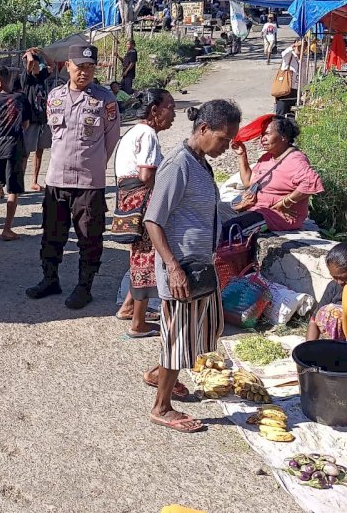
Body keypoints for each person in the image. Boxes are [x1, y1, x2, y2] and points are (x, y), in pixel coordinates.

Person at [143, 100, 241, 433]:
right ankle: (161, 406)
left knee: (200, 331)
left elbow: (204, 210)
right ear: (203, 129)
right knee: (179, 338)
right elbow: (153, 221)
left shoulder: (200, 163)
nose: (226, 147)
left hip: (199, 266)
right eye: (223, 139)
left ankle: (158, 375)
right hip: (181, 268)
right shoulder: (178, 164)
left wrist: (243, 209)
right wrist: (172, 267)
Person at [26, 43, 120, 310]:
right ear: (68, 66)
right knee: (52, 232)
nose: (85, 72)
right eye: (80, 67)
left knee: (89, 235)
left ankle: (84, 286)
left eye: (90, 67)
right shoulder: (54, 96)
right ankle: (50, 278)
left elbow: (111, 138)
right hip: (56, 178)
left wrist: (96, 163)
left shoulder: (105, 100)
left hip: (89, 181)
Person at [114, 89, 177, 337]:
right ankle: (138, 324)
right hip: (142, 202)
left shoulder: (134, 132)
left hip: (129, 202)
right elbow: (146, 175)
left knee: (138, 256)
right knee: (146, 258)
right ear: (154, 110)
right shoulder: (148, 133)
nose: (173, 113)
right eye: (169, 107)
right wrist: (165, 199)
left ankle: (128, 307)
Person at [224, 116, 323, 237]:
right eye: (262, 135)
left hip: (276, 216)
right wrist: (242, 155)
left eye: (267, 134)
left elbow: (311, 182)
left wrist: (285, 202)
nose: (262, 139)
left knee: (230, 230)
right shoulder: (267, 157)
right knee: (215, 213)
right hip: (257, 209)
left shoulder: (295, 159)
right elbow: (248, 182)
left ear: (284, 137)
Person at [0, 66, 31, 240]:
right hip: (14, 147)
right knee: (13, 190)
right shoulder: (20, 98)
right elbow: (25, 124)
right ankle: (7, 229)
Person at [20, 49, 54, 192]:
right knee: (25, 152)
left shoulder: (41, 77)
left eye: (37, 64)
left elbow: (52, 65)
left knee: (39, 151)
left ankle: (34, 181)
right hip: (31, 120)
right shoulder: (26, 78)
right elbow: (30, 61)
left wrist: (42, 53)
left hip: (42, 119)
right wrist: (29, 52)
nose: (36, 66)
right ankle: (20, 182)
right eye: (34, 64)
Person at [306, 243, 347, 342]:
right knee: (329, 312)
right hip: (339, 341)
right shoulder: (334, 286)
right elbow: (313, 321)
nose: (340, 282)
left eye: (344, 278)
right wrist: (309, 348)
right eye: (335, 277)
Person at [273, 39, 302, 116]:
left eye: (303, 47)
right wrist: (293, 46)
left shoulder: (303, 60)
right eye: (299, 47)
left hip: (296, 91)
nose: (301, 49)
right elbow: (284, 54)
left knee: (292, 115)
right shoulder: (289, 57)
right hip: (284, 90)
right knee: (281, 115)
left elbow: (303, 77)